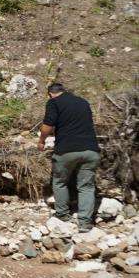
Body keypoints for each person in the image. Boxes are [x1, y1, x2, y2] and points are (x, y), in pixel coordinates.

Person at [38, 82, 100, 231]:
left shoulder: (53, 102)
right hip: (91, 150)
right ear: (64, 91)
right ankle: (85, 223)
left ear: (50, 94)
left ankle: (63, 215)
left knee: (60, 181)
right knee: (86, 187)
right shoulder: (83, 102)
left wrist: (41, 141)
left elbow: (48, 125)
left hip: (67, 150)